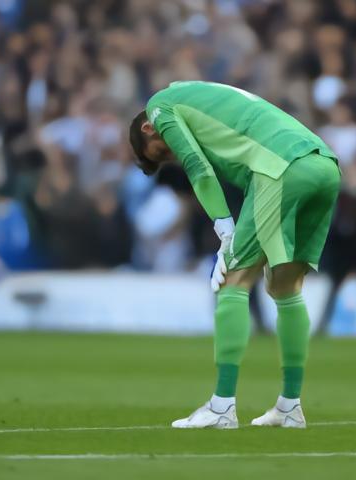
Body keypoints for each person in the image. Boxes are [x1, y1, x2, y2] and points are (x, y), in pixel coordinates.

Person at [129, 81, 341, 428]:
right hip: (324, 165)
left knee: (232, 281)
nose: (171, 156)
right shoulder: (198, 98)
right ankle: (289, 407)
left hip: (279, 165)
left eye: (161, 152)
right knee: (285, 287)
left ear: (148, 128)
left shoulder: (159, 107)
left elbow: (197, 167)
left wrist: (224, 229)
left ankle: (221, 407)